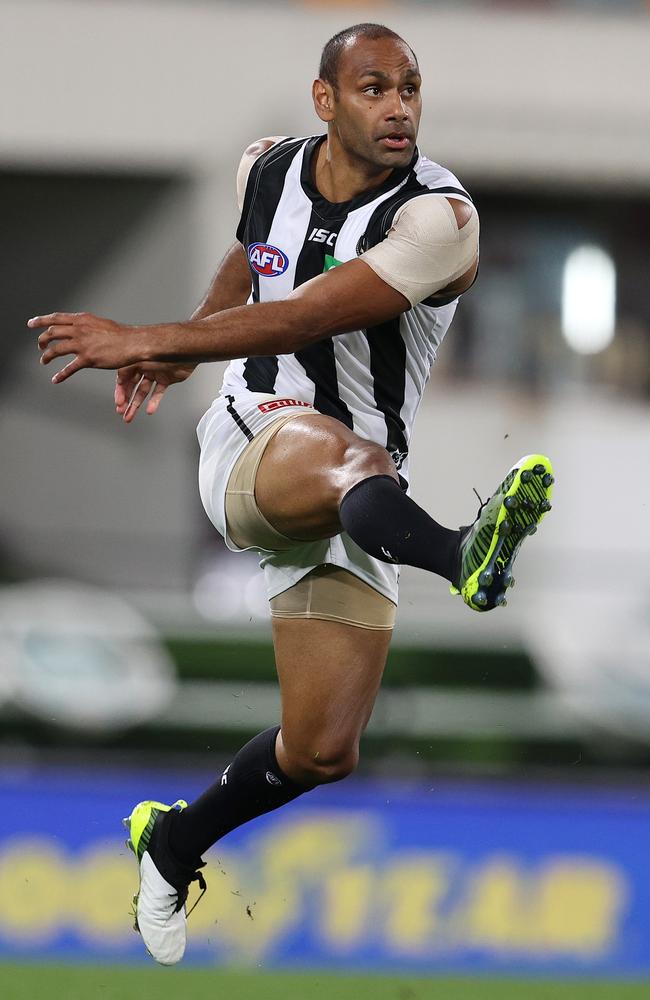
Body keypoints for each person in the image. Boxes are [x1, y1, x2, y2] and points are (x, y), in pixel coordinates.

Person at [30, 23, 554, 966]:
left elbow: (311, 307)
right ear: (325, 101)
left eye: (410, 88)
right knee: (357, 464)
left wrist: (144, 335)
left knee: (321, 751)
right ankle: (461, 554)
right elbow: (257, 259)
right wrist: (182, 339)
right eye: (373, 88)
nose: (398, 107)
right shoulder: (265, 166)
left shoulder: (438, 219)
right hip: (257, 446)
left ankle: (174, 840)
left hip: (358, 488)